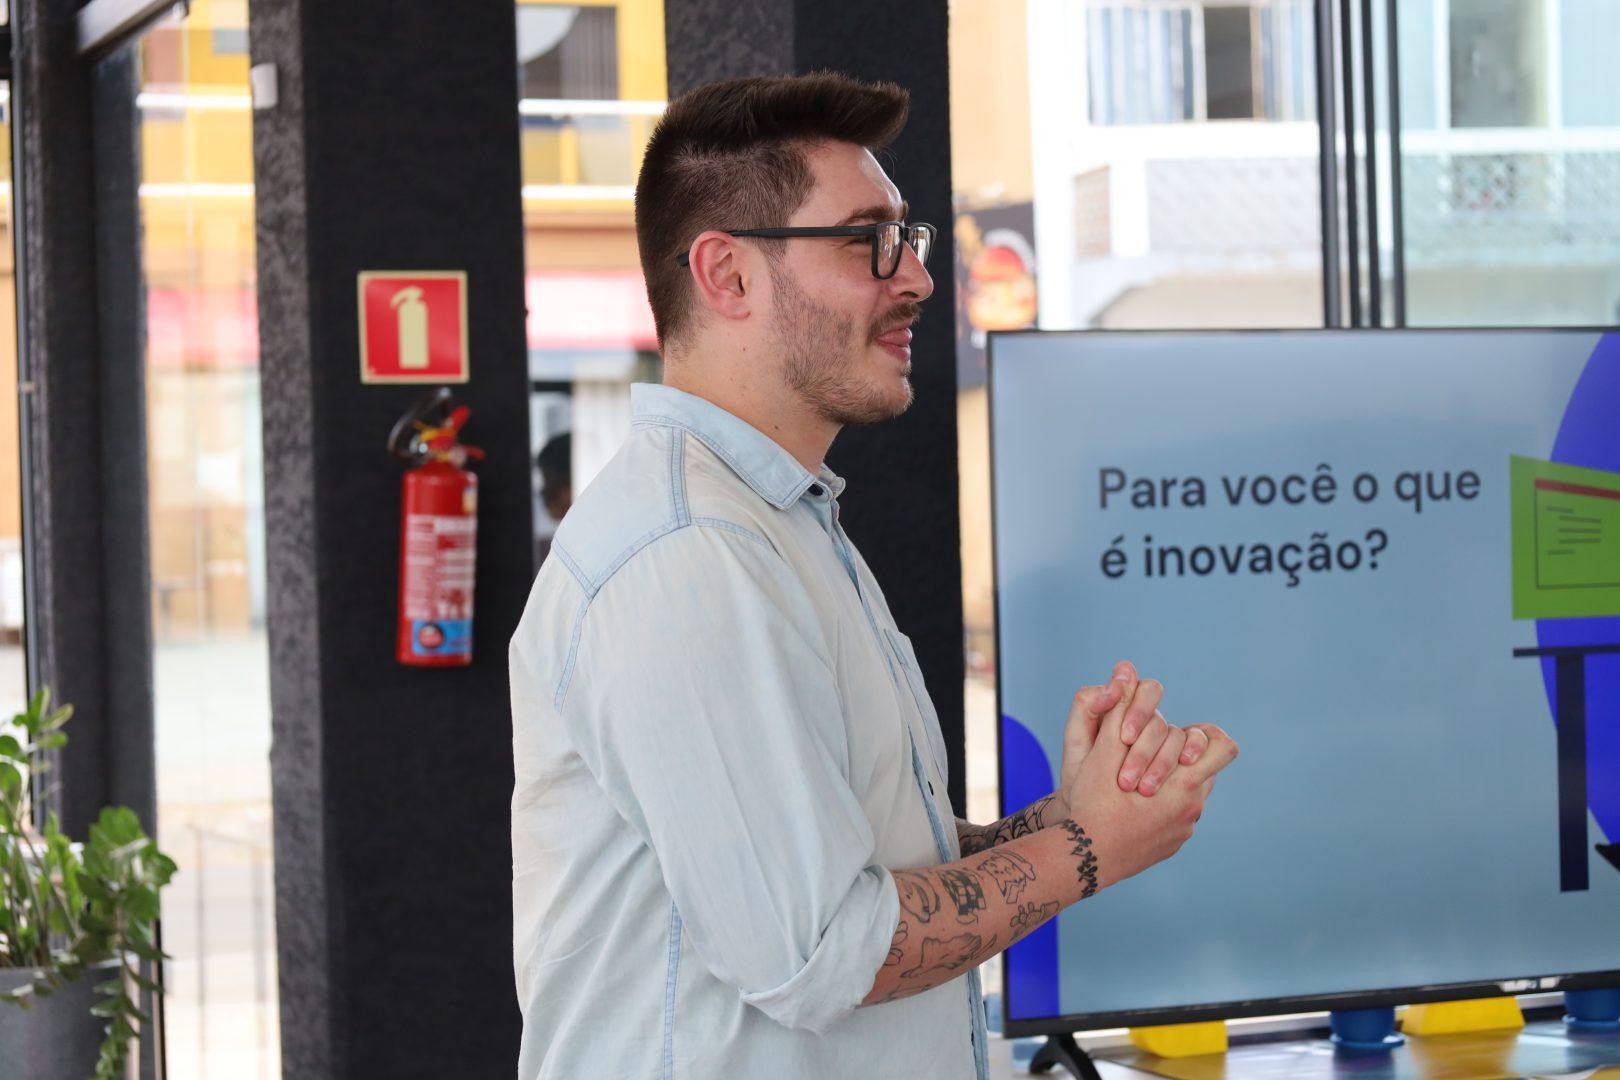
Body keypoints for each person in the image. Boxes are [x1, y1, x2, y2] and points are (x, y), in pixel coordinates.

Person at [508, 73, 1238, 1079]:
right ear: (727, 275)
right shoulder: (686, 554)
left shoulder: (779, 522)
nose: (918, 279)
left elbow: (868, 873)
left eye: (908, 237)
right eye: (868, 242)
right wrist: (1087, 851)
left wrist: (1068, 815)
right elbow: (822, 952)